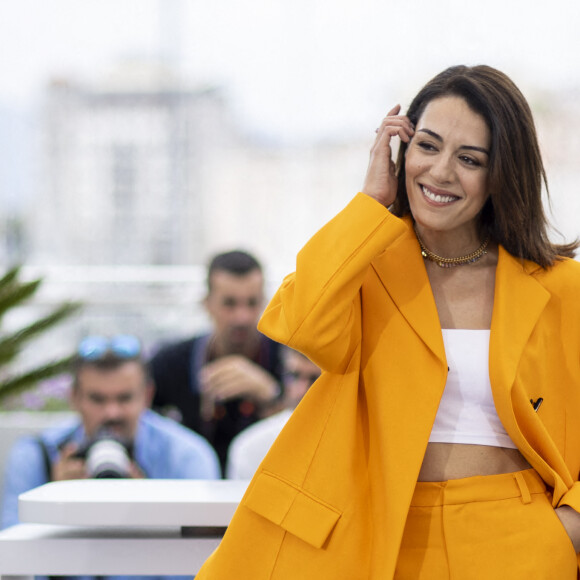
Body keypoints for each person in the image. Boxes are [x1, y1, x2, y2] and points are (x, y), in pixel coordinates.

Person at [194, 65, 580, 579]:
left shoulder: (560, 287)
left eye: (469, 159)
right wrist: (371, 202)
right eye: (427, 145)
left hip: (515, 537)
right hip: (375, 535)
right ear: (401, 149)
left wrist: (568, 525)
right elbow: (300, 324)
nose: (440, 172)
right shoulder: (364, 263)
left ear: (502, 174)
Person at [1, 335, 220, 546]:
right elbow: (10, 554)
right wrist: (54, 506)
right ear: (74, 397)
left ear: (147, 395)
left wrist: (152, 513)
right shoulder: (37, 455)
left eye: (124, 398)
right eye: (97, 399)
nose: (111, 413)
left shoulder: (185, 456)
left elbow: (203, 561)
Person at [150, 250, 284, 474]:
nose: (242, 317)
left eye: (252, 303)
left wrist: (271, 397)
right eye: (229, 304)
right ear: (207, 304)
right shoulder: (170, 363)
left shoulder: (291, 361)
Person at [226, 348, 321, 479]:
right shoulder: (252, 448)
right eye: (294, 376)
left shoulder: (356, 444)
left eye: (315, 379)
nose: (301, 391)